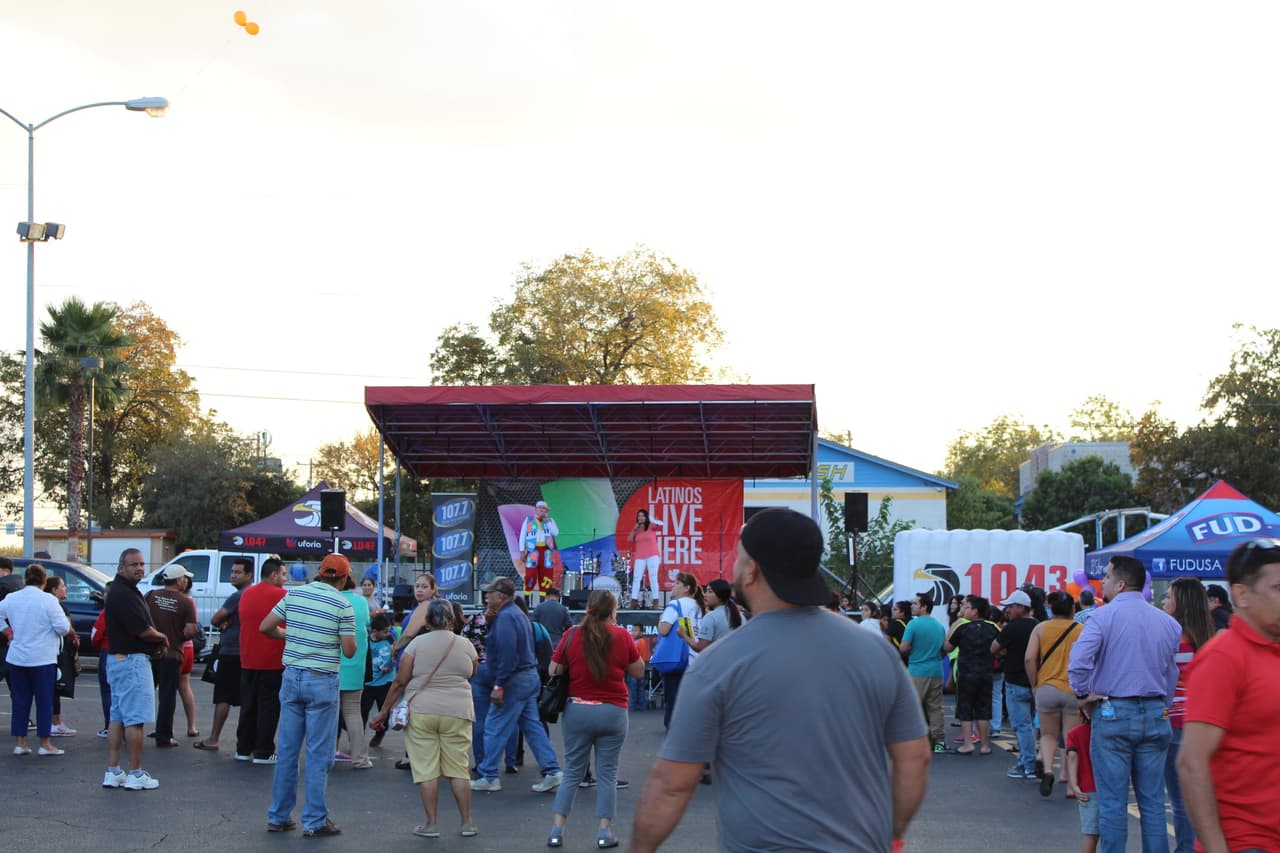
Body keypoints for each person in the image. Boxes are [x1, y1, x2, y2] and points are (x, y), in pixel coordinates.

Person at [630, 508, 930, 853]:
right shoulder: (877, 652)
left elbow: (671, 785)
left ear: (752, 570)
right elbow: (915, 757)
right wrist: (892, 834)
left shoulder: (718, 664)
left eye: (739, 558)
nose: (735, 568)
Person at [1067, 556, 1180, 853]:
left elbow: (1078, 663)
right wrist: (1162, 704)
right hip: (1156, 712)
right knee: (1153, 803)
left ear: (1120, 583)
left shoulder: (1101, 617)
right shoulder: (1168, 623)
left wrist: (1083, 695)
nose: (1102, 583)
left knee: (1113, 803)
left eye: (1106, 577)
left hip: (1113, 712)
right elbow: (1171, 673)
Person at [1177, 539, 1280, 853]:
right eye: (1278, 587)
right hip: (1248, 841)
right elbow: (1191, 762)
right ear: (1242, 594)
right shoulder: (1223, 657)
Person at [261, 553, 357, 837]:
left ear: (319, 572)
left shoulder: (294, 594)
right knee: (318, 754)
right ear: (344, 578)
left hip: (292, 676)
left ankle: (279, 816)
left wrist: (288, 635)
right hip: (322, 680)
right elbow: (349, 650)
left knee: (288, 751)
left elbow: (266, 626)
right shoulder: (343, 604)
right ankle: (315, 820)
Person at [544, 589, 644, 849]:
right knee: (607, 774)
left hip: (578, 710)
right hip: (613, 711)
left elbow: (554, 669)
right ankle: (604, 832)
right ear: (613, 610)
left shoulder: (572, 634)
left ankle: (557, 830)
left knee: (572, 772)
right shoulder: (622, 636)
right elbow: (638, 671)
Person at [373, 598, 480, 838]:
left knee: (426, 770)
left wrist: (383, 711)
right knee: (458, 769)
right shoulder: (465, 645)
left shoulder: (416, 645)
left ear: (428, 621)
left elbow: (400, 681)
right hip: (458, 711)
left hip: (422, 711)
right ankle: (467, 823)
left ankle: (431, 824)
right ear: (451, 621)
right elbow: (472, 671)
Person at [469, 576, 563, 794]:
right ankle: (551, 770)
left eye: (489, 593)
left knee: (494, 725)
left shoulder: (505, 618)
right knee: (532, 726)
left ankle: (489, 775)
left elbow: (508, 654)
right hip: (527, 676)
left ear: (500, 596)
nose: (486, 596)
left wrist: (499, 685)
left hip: (514, 679)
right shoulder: (517, 614)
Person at [102, 549, 169, 790]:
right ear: (121, 567)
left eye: (142, 564)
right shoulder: (125, 594)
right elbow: (142, 630)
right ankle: (136, 773)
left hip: (117, 660)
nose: (140, 568)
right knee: (135, 719)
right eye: (134, 565)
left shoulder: (120, 591)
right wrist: (163, 638)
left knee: (117, 716)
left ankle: (113, 771)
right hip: (132, 661)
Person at [1160, 577, 1214, 853]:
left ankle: (1185, 849)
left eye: (1168, 596)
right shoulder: (1209, 639)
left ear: (1180, 602)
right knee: (1199, 796)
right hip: (1204, 722)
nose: (1163, 601)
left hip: (1175, 721)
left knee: (1179, 799)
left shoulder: (1173, 638)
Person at [0, 563, 71, 756]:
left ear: (25, 579)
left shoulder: (12, 598)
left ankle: (20, 743)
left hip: (17, 657)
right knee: (44, 701)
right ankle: (45, 743)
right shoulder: (49, 600)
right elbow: (62, 628)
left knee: (20, 701)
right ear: (44, 580)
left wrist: (7, 631)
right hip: (43, 658)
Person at [1025, 590, 1083, 798]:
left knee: (1048, 735)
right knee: (1071, 738)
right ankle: (1071, 785)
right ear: (1073, 609)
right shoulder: (1081, 629)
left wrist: (1034, 684)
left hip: (1047, 687)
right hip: (1073, 689)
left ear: (1050, 608)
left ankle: (1048, 770)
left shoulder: (1040, 628)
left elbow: (1030, 659)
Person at [195, 557, 251, 752]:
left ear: (249, 575)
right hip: (245, 652)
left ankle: (214, 738)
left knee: (223, 697)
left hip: (231, 652)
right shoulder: (251, 594)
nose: (233, 575)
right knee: (246, 699)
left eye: (238, 572)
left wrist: (222, 622)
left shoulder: (237, 596)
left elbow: (215, 618)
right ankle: (245, 741)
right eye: (232, 571)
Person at [236, 557, 287, 765]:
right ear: (274, 575)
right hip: (273, 660)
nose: (285, 579)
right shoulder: (283, 596)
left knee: (248, 705)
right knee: (269, 707)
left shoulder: (247, 594)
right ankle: (263, 751)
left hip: (248, 658)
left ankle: (243, 748)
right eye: (283, 574)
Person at [144, 564, 198, 748]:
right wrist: (179, 636)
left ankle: (130, 729)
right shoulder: (185, 602)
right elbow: (191, 630)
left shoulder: (151, 596)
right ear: (179, 580)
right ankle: (164, 735)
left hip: (149, 653)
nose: (186, 581)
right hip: (172, 654)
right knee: (167, 697)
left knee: (142, 693)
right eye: (184, 578)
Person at [992, 589, 1039, 781]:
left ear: (1021, 607)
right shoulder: (1039, 626)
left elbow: (993, 648)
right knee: (1032, 725)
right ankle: (1031, 761)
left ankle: (1028, 765)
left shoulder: (1011, 628)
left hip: (1015, 681)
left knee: (1022, 726)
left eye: (1011, 607)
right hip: (1036, 682)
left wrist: (1003, 653)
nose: (1007, 610)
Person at [942, 595, 997, 755]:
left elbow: (947, 647)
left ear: (975, 611)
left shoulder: (962, 627)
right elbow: (1001, 647)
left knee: (965, 708)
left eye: (966, 607)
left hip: (966, 673)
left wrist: (954, 626)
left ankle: (968, 744)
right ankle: (985, 745)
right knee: (984, 709)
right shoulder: (992, 627)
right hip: (986, 673)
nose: (963, 610)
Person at [899, 591, 947, 753]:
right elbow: (944, 649)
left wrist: (914, 652)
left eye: (915, 603)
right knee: (935, 707)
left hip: (917, 670)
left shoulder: (913, 624)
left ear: (924, 607)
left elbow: (903, 648)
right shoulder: (939, 626)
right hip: (936, 670)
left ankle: (913, 741)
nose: (912, 606)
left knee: (914, 707)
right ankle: (939, 741)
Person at [656, 572, 704, 730]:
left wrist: (661, 619)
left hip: (677, 660)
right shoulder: (698, 606)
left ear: (686, 588)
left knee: (673, 699)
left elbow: (663, 630)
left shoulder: (675, 605)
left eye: (677, 583)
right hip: (694, 657)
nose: (673, 586)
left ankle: (673, 731)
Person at [337, 574, 371, 768]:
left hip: (331, 666)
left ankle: (327, 753)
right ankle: (360, 758)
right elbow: (366, 624)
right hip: (356, 665)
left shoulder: (330, 599)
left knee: (327, 714)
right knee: (353, 713)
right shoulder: (361, 602)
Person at [43, 575, 79, 737]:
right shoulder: (59, 608)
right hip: (57, 653)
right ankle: (55, 723)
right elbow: (65, 629)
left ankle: (52, 722)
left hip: (47, 652)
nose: (65, 589)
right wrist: (74, 636)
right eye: (62, 586)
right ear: (54, 590)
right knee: (56, 688)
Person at [1066, 717, 1098, 853]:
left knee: (1090, 835)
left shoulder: (1074, 733)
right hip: (1110, 787)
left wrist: (1074, 785)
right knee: (1111, 833)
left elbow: (1072, 757)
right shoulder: (1108, 731)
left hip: (1087, 788)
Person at [363, 613, 396, 746]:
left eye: (389, 630)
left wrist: (389, 665)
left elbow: (394, 654)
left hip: (385, 682)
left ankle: (380, 733)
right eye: (385, 631)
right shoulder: (366, 640)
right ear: (375, 631)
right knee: (362, 711)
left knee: (384, 711)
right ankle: (357, 736)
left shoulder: (390, 639)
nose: (388, 633)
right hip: (369, 682)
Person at [520, 500, 560, 605]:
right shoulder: (528, 520)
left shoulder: (550, 521)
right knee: (530, 575)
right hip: (532, 550)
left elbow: (555, 532)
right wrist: (522, 551)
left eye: (544, 509)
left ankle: (543, 600)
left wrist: (547, 522)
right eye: (540, 508)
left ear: (547, 511)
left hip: (546, 551)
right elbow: (522, 535)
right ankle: (527, 597)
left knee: (546, 575)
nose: (542, 510)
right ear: (536, 510)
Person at [689, 578, 742, 652]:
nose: (705, 595)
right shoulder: (740, 616)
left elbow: (701, 648)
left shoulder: (711, 617)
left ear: (720, 595)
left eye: (710, 591)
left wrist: (684, 636)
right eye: (706, 591)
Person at [627, 509, 662, 610]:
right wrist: (634, 529)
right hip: (640, 556)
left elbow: (659, 524)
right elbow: (630, 539)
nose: (640, 518)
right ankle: (634, 601)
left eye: (642, 516)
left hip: (652, 555)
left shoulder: (651, 526)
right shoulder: (637, 529)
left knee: (653, 577)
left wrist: (654, 520)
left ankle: (656, 601)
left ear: (646, 517)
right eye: (639, 516)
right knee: (636, 578)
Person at [397, 572, 439, 651]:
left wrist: (396, 648)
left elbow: (409, 634)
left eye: (424, 587)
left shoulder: (426, 605)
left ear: (433, 590)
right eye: (417, 586)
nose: (419, 590)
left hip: (414, 653)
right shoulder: (423, 606)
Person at [531, 587, 574, 654]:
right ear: (558, 597)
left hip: (541, 641)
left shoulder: (539, 607)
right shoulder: (563, 609)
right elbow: (569, 626)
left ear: (546, 596)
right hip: (557, 642)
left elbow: (532, 625)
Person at [627, 624, 653, 711]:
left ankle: (633, 705)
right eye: (632, 630)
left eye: (635, 630)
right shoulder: (637, 642)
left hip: (634, 669)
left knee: (634, 688)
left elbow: (635, 655)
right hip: (640, 669)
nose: (633, 632)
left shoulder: (640, 642)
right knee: (639, 688)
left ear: (641, 633)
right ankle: (641, 705)